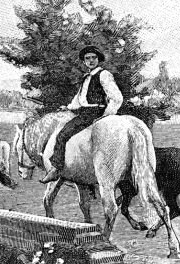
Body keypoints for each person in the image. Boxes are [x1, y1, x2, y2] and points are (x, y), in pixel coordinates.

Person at [40, 45, 123, 183]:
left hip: (94, 113)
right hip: (85, 111)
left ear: (98, 59)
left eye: (93, 58)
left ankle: (56, 168)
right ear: (84, 62)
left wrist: (107, 115)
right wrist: (68, 108)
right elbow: (80, 99)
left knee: (62, 135)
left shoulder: (103, 75)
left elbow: (117, 98)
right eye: (87, 58)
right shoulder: (86, 77)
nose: (91, 61)